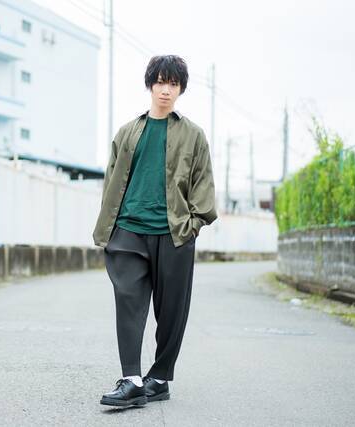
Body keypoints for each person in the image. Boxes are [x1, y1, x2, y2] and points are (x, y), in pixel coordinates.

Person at [93, 55, 217, 408]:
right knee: (128, 302)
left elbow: (203, 183)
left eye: (173, 84)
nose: (166, 90)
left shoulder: (193, 135)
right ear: (150, 85)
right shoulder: (127, 132)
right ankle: (132, 379)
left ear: (180, 89)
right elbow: (111, 180)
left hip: (174, 232)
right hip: (128, 229)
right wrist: (111, 224)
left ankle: (159, 378)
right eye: (160, 82)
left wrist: (193, 224)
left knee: (171, 309)